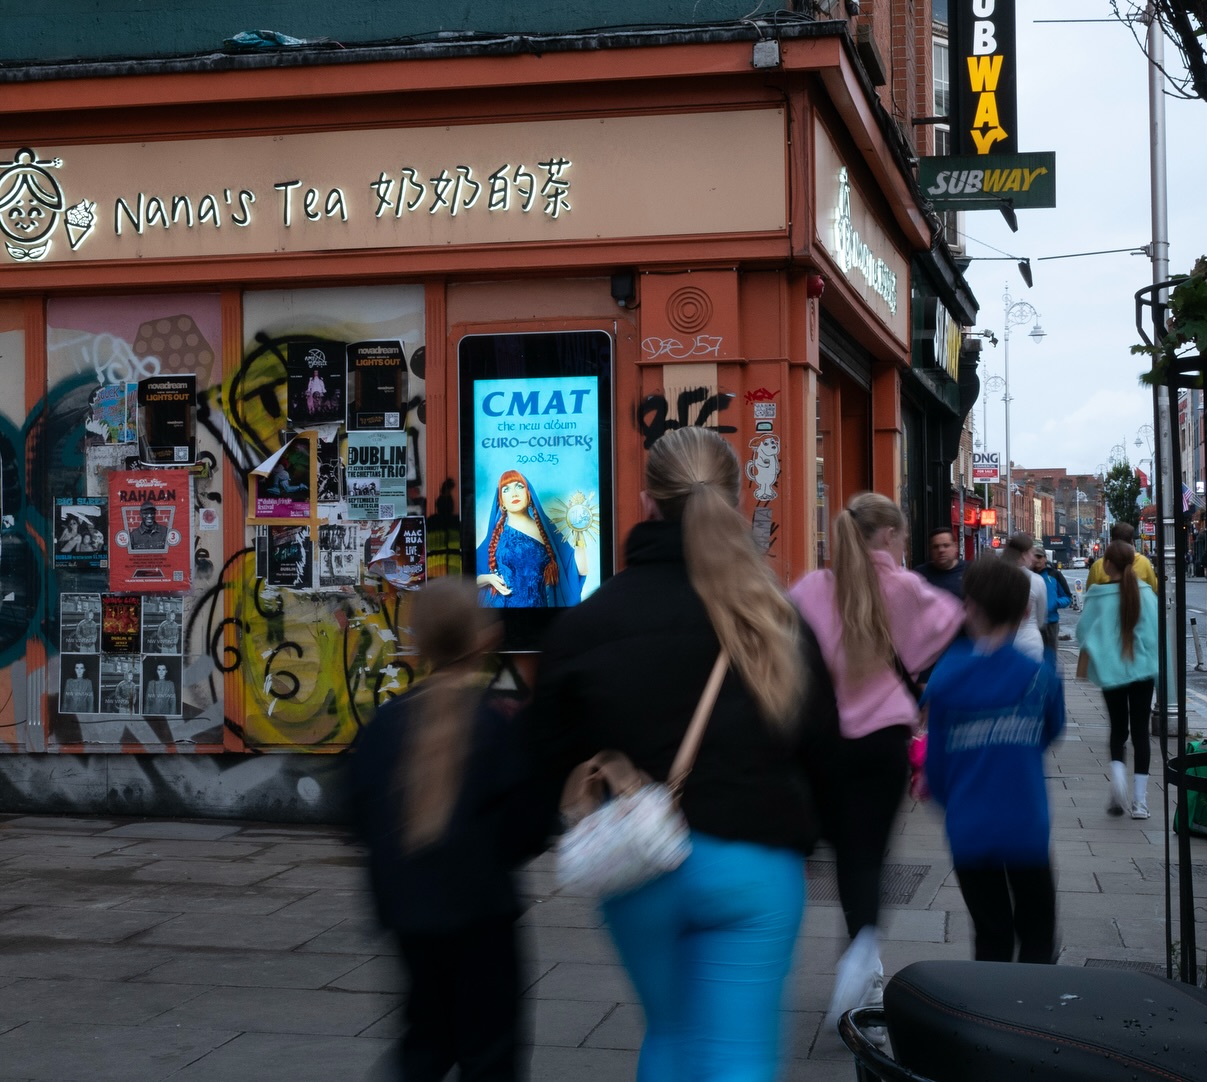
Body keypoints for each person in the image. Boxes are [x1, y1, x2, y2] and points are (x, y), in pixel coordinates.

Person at [530, 426, 840, 1081]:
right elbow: (824, 750)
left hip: (638, 862)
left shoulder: (585, 625)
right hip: (757, 867)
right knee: (738, 1055)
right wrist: (817, 840)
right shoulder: (776, 621)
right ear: (733, 497)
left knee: (669, 1037)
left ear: (646, 501)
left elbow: (546, 753)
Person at [350, 577, 540, 1082]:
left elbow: (357, 817)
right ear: (484, 637)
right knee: (490, 1052)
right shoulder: (497, 726)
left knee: (424, 1046)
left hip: (409, 920)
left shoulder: (383, 728)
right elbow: (530, 828)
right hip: (483, 919)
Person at [790, 493, 964, 1029]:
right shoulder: (907, 588)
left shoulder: (811, 588)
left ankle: (859, 962)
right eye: (904, 536)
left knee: (837, 854)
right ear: (888, 536)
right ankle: (860, 958)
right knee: (867, 858)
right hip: (883, 740)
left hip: (819, 742)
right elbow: (952, 619)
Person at [924, 555, 1065, 964]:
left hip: (970, 828)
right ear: (1024, 612)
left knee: (990, 934)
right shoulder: (1041, 676)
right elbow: (1051, 731)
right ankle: (1030, 1019)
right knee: (1038, 932)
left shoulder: (946, 678)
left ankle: (990, 1017)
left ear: (968, 608)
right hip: (1026, 824)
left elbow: (936, 768)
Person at [1075, 540, 1160, 818]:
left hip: (1111, 672)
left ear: (1107, 564)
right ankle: (1140, 803)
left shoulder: (1097, 596)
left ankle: (1119, 783)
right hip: (1142, 671)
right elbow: (1154, 636)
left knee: (1118, 730)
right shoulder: (1146, 594)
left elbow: (1082, 634)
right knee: (1140, 733)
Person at [477, 470, 586, 608]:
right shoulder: (496, 536)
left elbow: (578, 571)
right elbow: (469, 577)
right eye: (506, 489)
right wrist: (489, 579)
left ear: (529, 494)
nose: (514, 493)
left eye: (519, 486)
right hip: (503, 612)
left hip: (540, 613)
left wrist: (580, 532)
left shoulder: (548, 531)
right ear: (501, 501)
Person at [999, 534, 1047, 663]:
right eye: (1031, 553)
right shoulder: (1037, 581)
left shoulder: (995, 577)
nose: (1033, 558)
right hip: (1029, 641)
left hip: (999, 643)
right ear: (1024, 554)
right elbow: (1041, 618)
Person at [1086, 523, 1158, 593]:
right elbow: (1154, 588)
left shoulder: (1098, 565)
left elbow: (1089, 592)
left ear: (1111, 541)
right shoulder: (1144, 562)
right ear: (1132, 542)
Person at [1032, 544, 1072, 660]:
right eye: (1034, 557)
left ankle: (1050, 677)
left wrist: (1055, 603)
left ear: (1045, 558)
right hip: (1032, 623)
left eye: (1039, 557)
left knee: (1050, 656)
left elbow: (1067, 597)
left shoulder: (1055, 575)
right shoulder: (1028, 575)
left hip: (1051, 622)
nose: (1037, 560)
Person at [915, 526, 966, 600]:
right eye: (936, 547)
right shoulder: (919, 575)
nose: (941, 550)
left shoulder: (969, 572)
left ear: (955, 547)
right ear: (930, 550)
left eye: (946, 545)